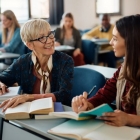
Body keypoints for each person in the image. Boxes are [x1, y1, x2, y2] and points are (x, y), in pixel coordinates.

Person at [72, 14, 140, 127]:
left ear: (130, 42)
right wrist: (88, 105)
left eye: (115, 39)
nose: (110, 43)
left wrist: (129, 119)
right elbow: (105, 95)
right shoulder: (123, 69)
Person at [0, 18, 74, 111]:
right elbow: (2, 78)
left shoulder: (65, 61)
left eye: (50, 34)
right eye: (42, 38)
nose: (49, 41)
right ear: (30, 45)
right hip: (29, 114)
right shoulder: (22, 62)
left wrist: (29, 97)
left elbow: (64, 95)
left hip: (58, 113)